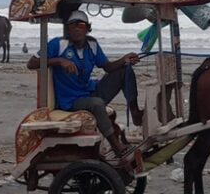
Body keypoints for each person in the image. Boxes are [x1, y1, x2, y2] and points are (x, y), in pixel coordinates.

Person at [26, 10, 144, 157]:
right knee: (97, 104)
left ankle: (135, 112)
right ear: (68, 29)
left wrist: (125, 60)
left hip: (89, 91)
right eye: (72, 25)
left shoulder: (92, 44)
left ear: (87, 28)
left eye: (81, 25)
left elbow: (107, 67)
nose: (77, 29)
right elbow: (31, 63)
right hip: (71, 100)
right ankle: (116, 146)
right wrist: (59, 60)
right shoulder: (58, 44)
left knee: (124, 70)